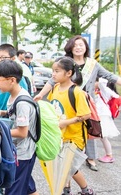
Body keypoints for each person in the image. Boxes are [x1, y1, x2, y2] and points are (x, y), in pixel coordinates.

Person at [34, 35, 121, 172]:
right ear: (70, 48)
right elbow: (52, 81)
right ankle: (63, 154)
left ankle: (90, 158)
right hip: (67, 101)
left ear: (86, 47)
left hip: (86, 102)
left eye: (81, 45)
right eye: (75, 45)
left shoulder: (93, 64)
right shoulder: (65, 63)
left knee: (88, 127)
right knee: (65, 127)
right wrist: (40, 94)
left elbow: (109, 76)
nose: (78, 48)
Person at [47, 56, 94, 195]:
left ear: (68, 73)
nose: (53, 74)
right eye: (53, 71)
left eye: (57, 71)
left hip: (74, 136)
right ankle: (66, 190)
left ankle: (86, 190)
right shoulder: (55, 88)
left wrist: (65, 122)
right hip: (60, 136)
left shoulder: (76, 91)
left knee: (69, 167)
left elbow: (85, 115)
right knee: (62, 165)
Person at [0, 59, 38, 195]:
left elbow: (22, 132)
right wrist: (4, 112)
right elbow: (18, 116)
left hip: (22, 154)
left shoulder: (22, 102)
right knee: (29, 187)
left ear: (12, 80)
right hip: (20, 151)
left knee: (13, 190)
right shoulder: (14, 95)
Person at [0, 43, 30, 111]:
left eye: (3, 57)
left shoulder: (19, 78)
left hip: (14, 117)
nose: (0, 60)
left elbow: (24, 99)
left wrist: (6, 112)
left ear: (13, 58)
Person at [94, 78, 120, 163]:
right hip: (101, 115)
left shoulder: (105, 91)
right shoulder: (106, 91)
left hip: (103, 115)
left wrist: (99, 79)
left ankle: (109, 155)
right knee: (101, 136)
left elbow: (102, 82)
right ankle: (108, 155)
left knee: (103, 137)